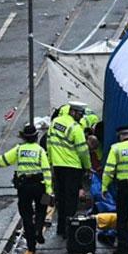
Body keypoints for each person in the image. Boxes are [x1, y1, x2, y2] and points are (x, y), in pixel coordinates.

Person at [0, 124, 53, 253]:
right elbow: (47, 170)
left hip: (24, 187)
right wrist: (49, 190)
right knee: (42, 209)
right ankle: (38, 230)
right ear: (37, 137)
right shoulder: (40, 150)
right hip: (40, 186)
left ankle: (31, 243)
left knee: (26, 213)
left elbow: (3, 160)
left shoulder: (19, 150)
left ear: (24, 138)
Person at [47, 102, 92, 239]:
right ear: (72, 112)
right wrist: (88, 167)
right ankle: (69, 229)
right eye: (79, 114)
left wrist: (51, 161)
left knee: (61, 197)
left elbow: (49, 143)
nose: (81, 117)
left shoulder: (55, 123)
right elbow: (83, 151)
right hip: (73, 167)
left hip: (58, 166)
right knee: (71, 200)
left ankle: (61, 228)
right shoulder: (75, 128)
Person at [102, 125, 128, 254]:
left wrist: (104, 187)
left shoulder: (116, 148)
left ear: (120, 136)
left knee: (122, 218)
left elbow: (109, 170)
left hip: (123, 187)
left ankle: (123, 248)